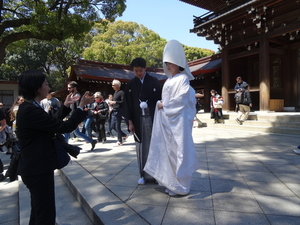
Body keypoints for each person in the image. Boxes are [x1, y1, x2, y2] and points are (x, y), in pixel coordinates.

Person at [16, 70, 94, 224]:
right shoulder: (30, 110)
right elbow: (63, 127)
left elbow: (50, 124)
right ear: (37, 88)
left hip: (36, 167)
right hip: (37, 168)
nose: (48, 87)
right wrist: (81, 108)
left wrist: (65, 106)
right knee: (45, 214)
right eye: (46, 84)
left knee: (39, 212)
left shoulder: (30, 106)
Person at [144, 40, 200, 196]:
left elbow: (182, 98)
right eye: (166, 63)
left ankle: (182, 186)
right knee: (170, 151)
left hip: (179, 122)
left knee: (180, 150)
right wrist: (162, 105)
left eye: (170, 63)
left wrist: (164, 106)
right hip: (169, 121)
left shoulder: (182, 79)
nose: (168, 66)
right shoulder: (169, 80)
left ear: (178, 62)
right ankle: (173, 182)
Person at [123, 57, 162, 185]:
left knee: (154, 146)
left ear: (145, 68)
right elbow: (127, 104)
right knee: (140, 147)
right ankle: (143, 175)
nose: (138, 73)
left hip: (152, 118)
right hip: (137, 120)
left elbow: (160, 100)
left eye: (140, 70)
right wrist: (130, 122)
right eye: (136, 71)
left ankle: (156, 174)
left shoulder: (154, 81)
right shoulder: (130, 84)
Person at [65, 81, 97, 150]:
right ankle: (92, 141)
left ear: (75, 88)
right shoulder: (71, 95)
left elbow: (79, 108)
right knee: (77, 133)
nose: (68, 89)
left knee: (67, 131)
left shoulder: (78, 96)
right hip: (71, 116)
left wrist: (78, 119)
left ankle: (65, 147)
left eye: (69, 88)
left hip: (74, 117)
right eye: (68, 88)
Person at [110, 79, 128, 146]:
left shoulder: (121, 92)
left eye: (113, 85)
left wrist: (115, 102)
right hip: (114, 110)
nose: (112, 86)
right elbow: (116, 102)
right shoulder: (115, 93)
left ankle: (120, 140)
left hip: (119, 111)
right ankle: (124, 135)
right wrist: (112, 104)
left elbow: (123, 102)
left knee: (117, 126)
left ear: (117, 85)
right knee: (112, 126)